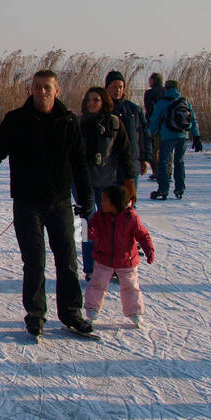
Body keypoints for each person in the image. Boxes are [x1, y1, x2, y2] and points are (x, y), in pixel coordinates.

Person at [0, 69, 94, 338]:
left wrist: (86, 198)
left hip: (60, 202)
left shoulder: (68, 121)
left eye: (47, 87)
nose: (42, 92)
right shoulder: (16, 120)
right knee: (34, 261)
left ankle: (71, 313)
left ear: (57, 90)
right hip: (27, 203)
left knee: (67, 260)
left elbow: (80, 163)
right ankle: (36, 315)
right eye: (37, 87)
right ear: (31, 89)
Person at [77, 87, 134, 278]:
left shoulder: (114, 123)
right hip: (82, 183)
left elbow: (126, 153)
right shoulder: (78, 123)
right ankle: (91, 268)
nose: (92, 103)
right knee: (87, 224)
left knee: (112, 225)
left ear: (104, 102)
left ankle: (114, 266)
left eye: (96, 100)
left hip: (108, 182)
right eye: (89, 100)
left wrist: (129, 180)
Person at [83, 185, 154, 329]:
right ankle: (91, 309)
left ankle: (135, 312)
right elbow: (88, 235)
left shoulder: (131, 218)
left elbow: (143, 235)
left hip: (126, 260)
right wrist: (83, 221)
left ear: (115, 203)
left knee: (131, 287)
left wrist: (149, 250)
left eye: (104, 200)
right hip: (104, 258)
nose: (101, 203)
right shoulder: (99, 217)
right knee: (97, 284)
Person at [147, 79, 202, 200]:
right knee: (179, 162)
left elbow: (155, 119)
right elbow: (193, 119)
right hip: (183, 136)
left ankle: (163, 189)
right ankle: (180, 189)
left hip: (167, 136)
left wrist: (149, 134)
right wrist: (196, 136)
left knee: (163, 162)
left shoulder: (162, 102)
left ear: (166, 88)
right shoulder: (185, 101)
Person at [104, 71, 151, 196]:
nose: (118, 90)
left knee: (129, 203)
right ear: (107, 88)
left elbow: (143, 135)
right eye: (114, 87)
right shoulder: (101, 109)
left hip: (130, 164)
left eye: (120, 87)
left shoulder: (134, 110)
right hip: (108, 168)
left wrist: (145, 158)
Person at [143, 73, 164, 180]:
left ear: (153, 80)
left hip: (153, 124)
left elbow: (148, 109)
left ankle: (156, 172)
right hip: (166, 125)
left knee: (153, 149)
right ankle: (167, 171)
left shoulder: (149, 93)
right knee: (165, 148)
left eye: (150, 79)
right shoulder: (166, 92)